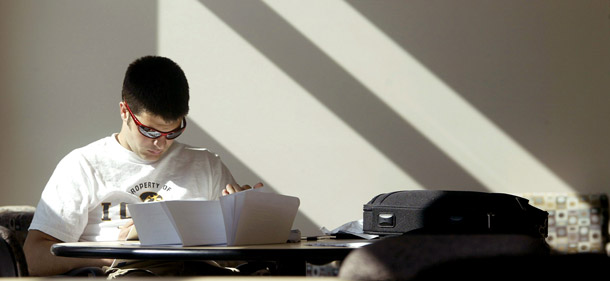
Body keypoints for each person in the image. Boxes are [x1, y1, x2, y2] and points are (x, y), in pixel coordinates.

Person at [23, 56, 263, 277]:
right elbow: (32, 257)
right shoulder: (83, 165)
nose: (161, 143)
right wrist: (108, 254)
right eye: (149, 130)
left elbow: (233, 253)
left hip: (198, 271)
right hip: (127, 272)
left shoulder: (206, 164)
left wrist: (242, 217)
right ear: (125, 111)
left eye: (173, 131)